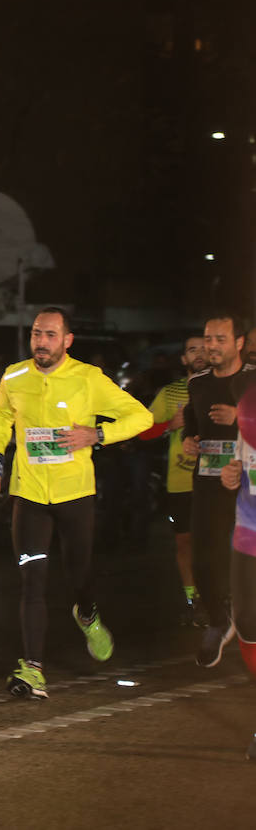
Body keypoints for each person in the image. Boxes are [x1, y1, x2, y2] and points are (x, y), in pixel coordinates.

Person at [0, 307, 151, 699]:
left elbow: (139, 416)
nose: (42, 341)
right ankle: (32, 668)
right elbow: (0, 416)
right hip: (30, 495)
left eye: (51, 335)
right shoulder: (15, 375)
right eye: (37, 333)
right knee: (32, 581)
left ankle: (86, 612)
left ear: (67, 340)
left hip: (75, 494)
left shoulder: (87, 379)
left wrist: (99, 435)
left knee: (81, 575)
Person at [182, 312, 255, 666]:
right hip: (208, 481)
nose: (211, 346)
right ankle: (217, 620)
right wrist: (188, 441)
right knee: (202, 560)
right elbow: (192, 422)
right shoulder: (197, 383)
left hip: (249, 488)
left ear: (239, 343)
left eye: (220, 339)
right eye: (208, 338)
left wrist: (240, 417)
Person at [138, 335, 207, 624]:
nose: (200, 354)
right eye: (192, 349)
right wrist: (170, 424)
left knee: (217, 543)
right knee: (185, 543)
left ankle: (220, 597)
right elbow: (142, 431)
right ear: (184, 359)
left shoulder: (226, 388)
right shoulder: (171, 393)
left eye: (204, 348)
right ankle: (193, 599)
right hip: (180, 481)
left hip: (217, 479)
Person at [217, 385, 256, 759]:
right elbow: (241, 463)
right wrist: (233, 474)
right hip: (249, 534)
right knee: (247, 623)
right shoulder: (249, 405)